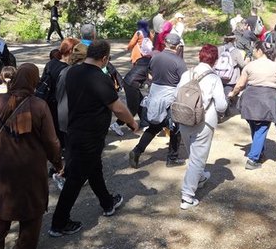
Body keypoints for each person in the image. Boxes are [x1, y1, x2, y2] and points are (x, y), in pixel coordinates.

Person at [49, 40, 137, 237]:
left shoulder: (72, 72)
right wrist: (132, 122)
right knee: (75, 179)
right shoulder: (99, 77)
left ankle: (107, 203)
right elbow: (118, 107)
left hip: (75, 131)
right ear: (104, 58)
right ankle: (59, 223)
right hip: (88, 136)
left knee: (94, 169)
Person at [0, 64, 62, 249]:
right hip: (31, 165)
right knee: (32, 210)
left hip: (2, 162)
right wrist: (58, 162)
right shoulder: (39, 105)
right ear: (34, 81)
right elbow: (51, 141)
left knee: (2, 206)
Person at [177, 45, 228, 210]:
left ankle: (198, 178)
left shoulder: (187, 73)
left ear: (200, 56)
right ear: (215, 60)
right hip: (203, 122)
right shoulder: (214, 78)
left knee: (193, 154)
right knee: (198, 159)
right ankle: (187, 197)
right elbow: (221, 106)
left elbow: (175, 94)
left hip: (183, 118)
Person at [228, 42, 276, 170]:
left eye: (254, 49)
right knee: (261, 128)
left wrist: (233, 93)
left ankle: (259, 152)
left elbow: (240, 85)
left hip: (250, 99)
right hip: (268, 99)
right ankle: (253, 160)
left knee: (255, 127)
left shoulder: (250, 66)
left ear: (259, 51)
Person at [128, 32, 186, 168]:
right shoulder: (179, 62)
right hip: (170, 97)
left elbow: (149, 74)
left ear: (165, 43)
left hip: (155, 95)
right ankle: (172, 158)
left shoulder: (155, 58)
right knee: (175, 128)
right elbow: (184, 82)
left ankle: (137, 151)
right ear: (177, 46)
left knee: (155, 126)